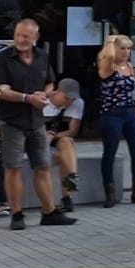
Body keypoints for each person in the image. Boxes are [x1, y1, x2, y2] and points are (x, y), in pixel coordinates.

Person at [0, 18, 73, 228]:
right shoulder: (2, 59)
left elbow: (51, 82)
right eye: (17, 35)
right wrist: (27, 98)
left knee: (42, 167)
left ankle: (49, 212)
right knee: (13, 168)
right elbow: (0, 90)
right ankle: (16, 214)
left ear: (35, 37)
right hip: (12, 122)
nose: (20, 40)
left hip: (37, 122)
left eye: (25, 36)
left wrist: (45, 94)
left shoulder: (42, 56)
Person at [94, 35, 135, 208]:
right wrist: (110, 40)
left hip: (130, 112)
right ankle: (109, 192)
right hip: (112, 113)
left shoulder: (129, 66)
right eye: (122, 48)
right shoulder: (107, 66)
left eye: (128, 48)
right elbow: (109, 57)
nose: (126, 52)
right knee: (110, 152)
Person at [41, 77, 85, 210]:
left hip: (58, 137)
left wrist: (54, 135)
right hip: (38, 137)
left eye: (72, 99)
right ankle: (66, 195)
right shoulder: (43, 102)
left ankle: (71, 179)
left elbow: (72, 131)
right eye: (66, 98)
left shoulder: (77, 103)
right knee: (59, 156)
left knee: (67, 142)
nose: (69, 102)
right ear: (58, 92)